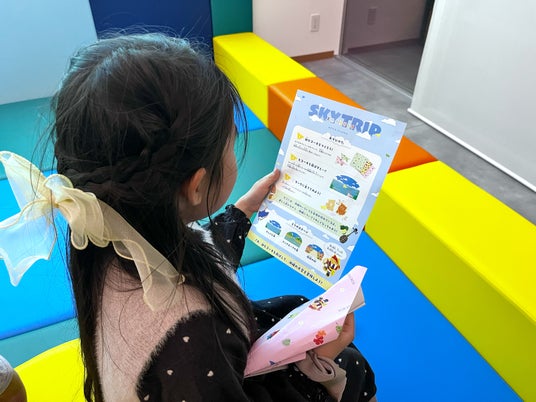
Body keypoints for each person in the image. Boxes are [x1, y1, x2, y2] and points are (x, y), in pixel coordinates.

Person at [0, 33, 376, 401]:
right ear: (196, 186)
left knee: (294, 305)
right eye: (231, 145)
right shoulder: (192, 341)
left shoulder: (110, 232)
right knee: (351, 364)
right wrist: (317, 363)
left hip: (196, 357)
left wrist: (243, 210)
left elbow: (200, 254)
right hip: (209, 364)